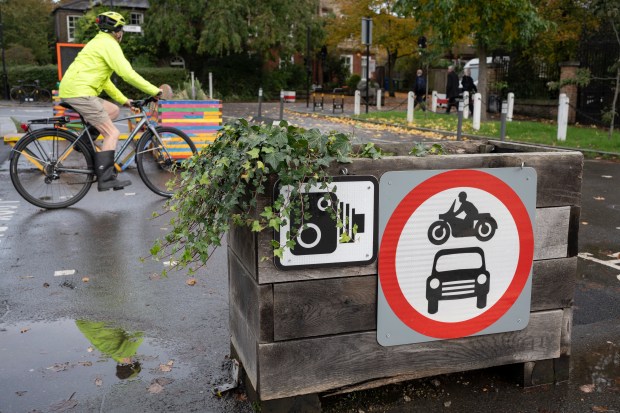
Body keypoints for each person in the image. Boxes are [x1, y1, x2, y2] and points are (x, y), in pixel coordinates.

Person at [59, 11, 162, 192]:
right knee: (112, 134)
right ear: (117, 31)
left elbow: (105, 81)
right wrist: (154, 90)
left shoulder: (98, 42)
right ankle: (106, 178)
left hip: (76, 90)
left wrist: (124, 100)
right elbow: (127, 74)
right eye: (121, 30)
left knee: (113, 110)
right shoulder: (109, 44)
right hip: (80, 92)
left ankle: (83, 143)